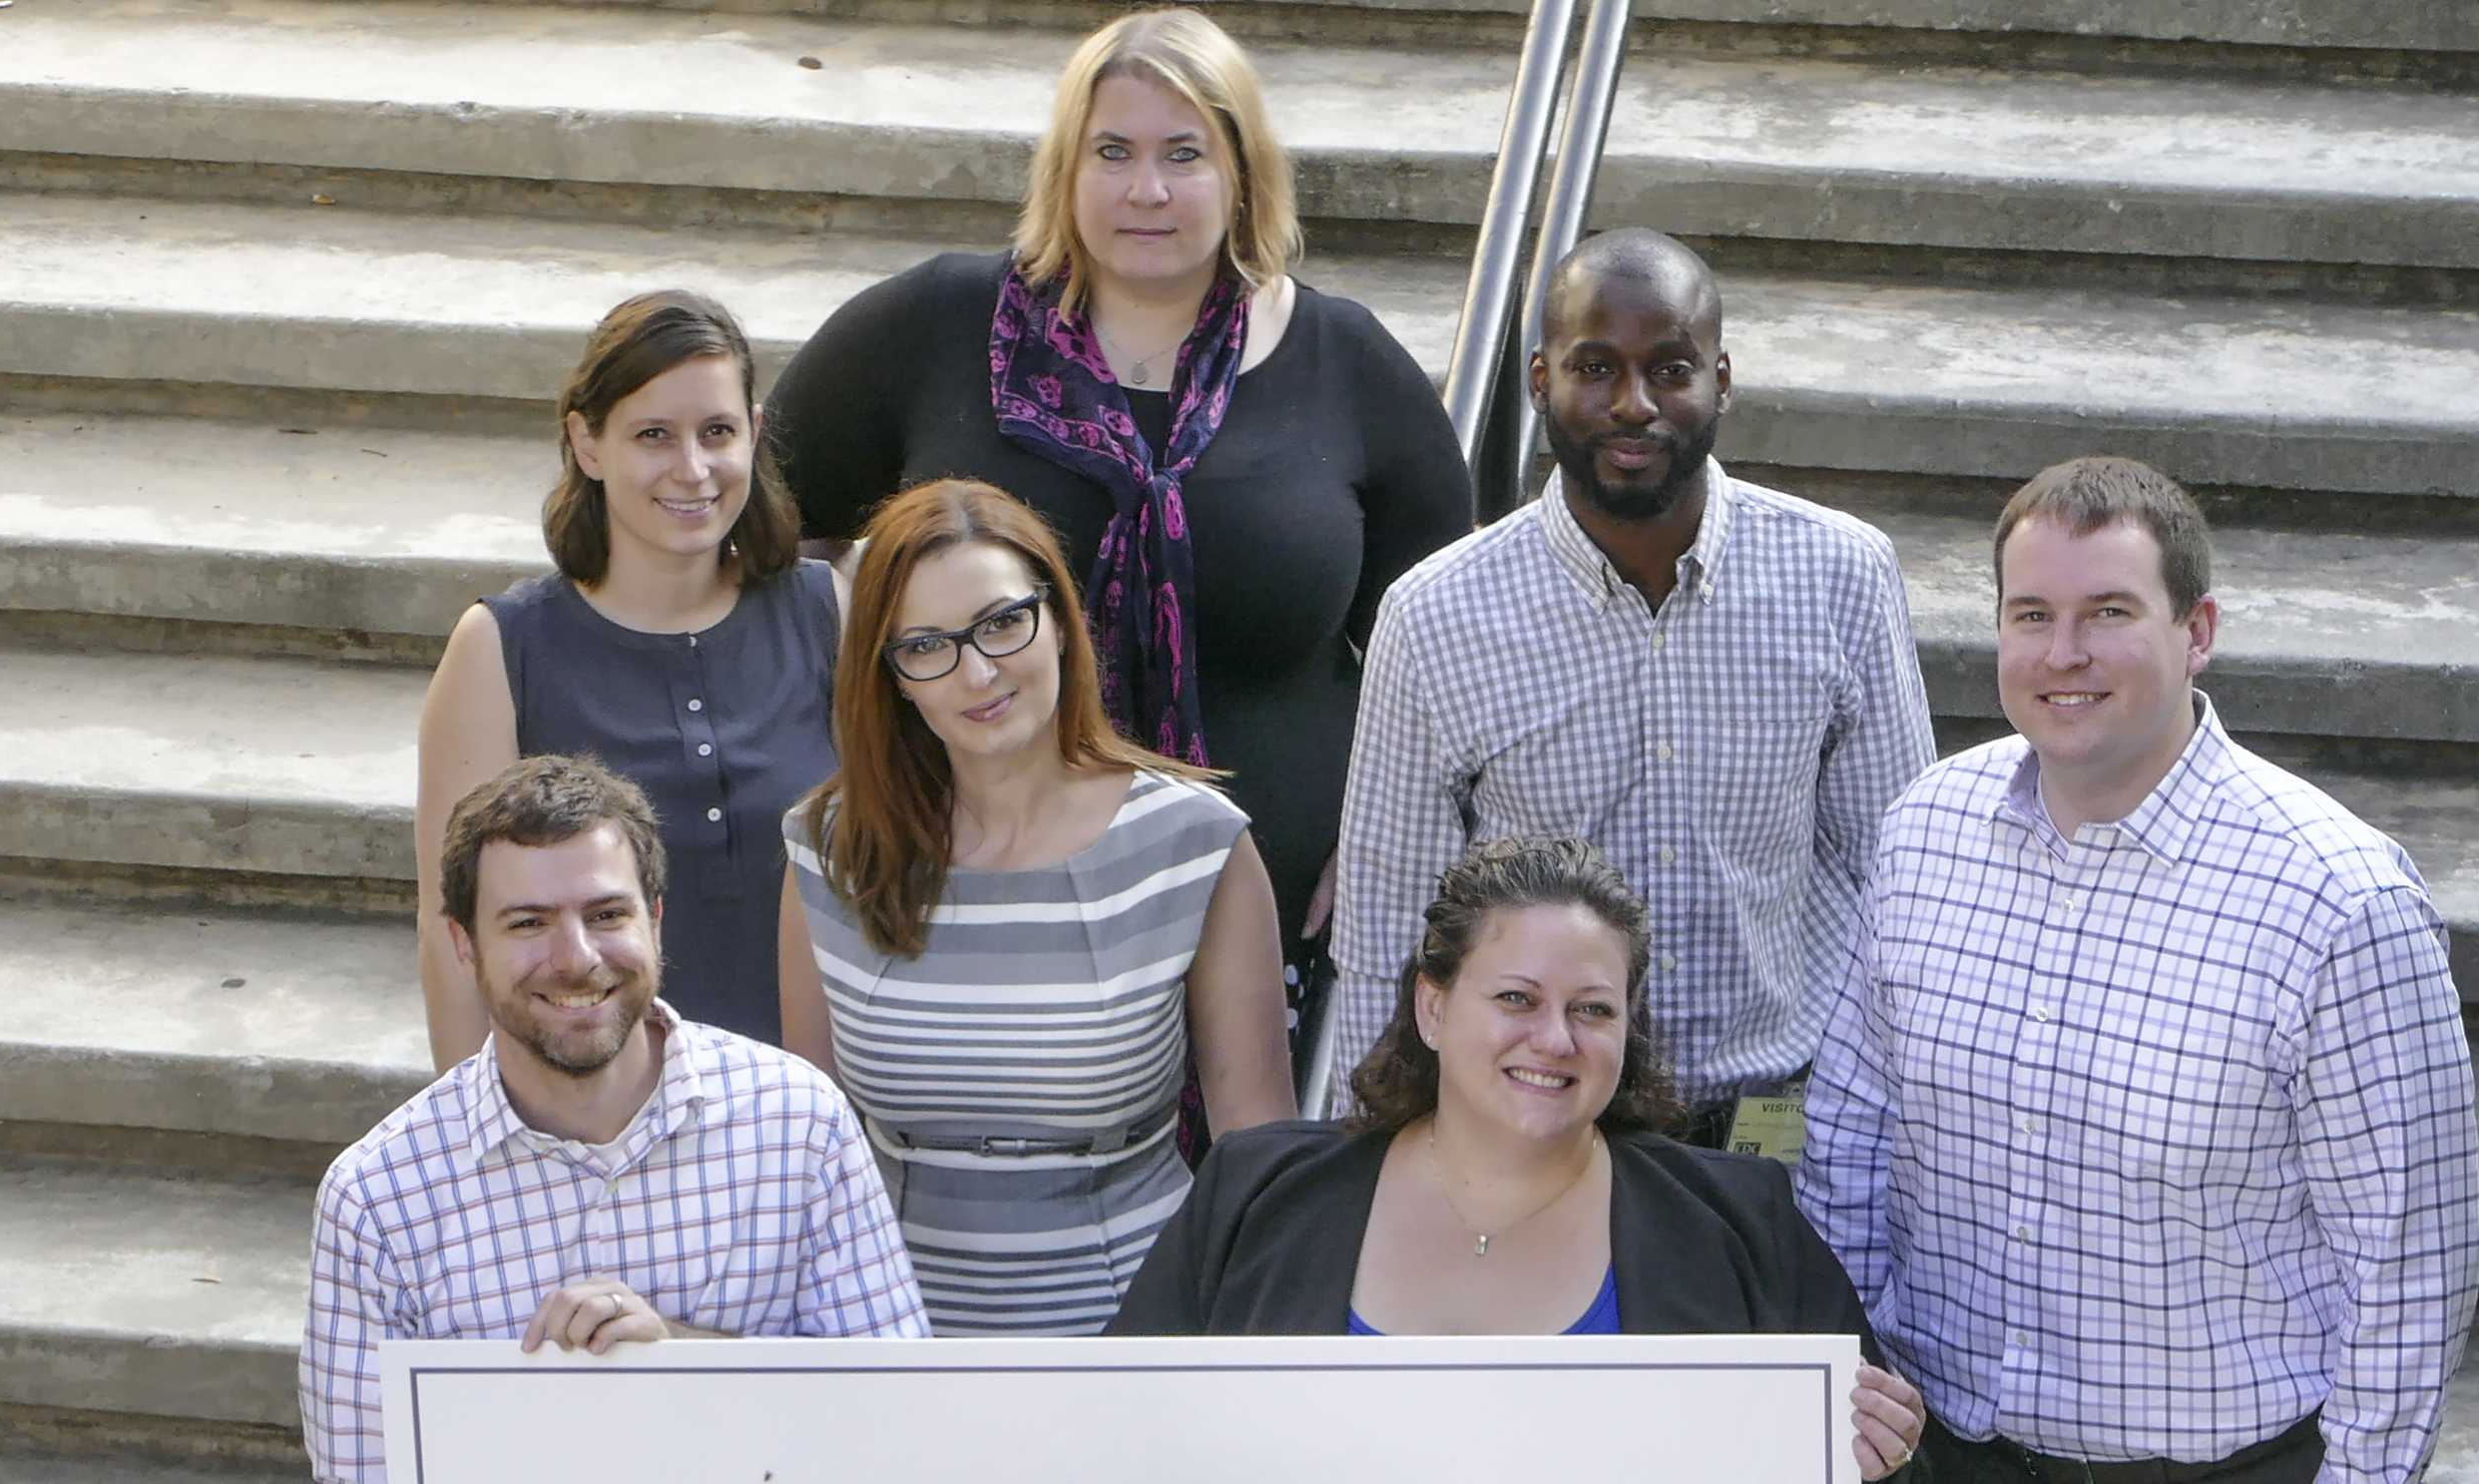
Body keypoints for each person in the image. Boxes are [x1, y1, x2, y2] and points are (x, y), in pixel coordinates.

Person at [761, 9, 1471, 1045]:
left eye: (1184, 154)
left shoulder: (1344, 363)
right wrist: (845, 741)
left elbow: (1447, 645)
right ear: (1066, 167)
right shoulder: (933, 328)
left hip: (1272, 915)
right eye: (1114, 152)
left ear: (1242, 174)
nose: (1147, 189)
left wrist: (1383, 843)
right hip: (959, 897)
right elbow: (767, 535)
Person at [1798, 457, 2479, 1484]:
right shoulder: (1923, 831)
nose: (2062, 652)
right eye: (2030, 614)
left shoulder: (2339, 901)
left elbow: (2406, 1267)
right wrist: (1841, 1380)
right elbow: (1850, 1138)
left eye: (2107, 611)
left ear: (2197, 630)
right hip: (1936, 1452)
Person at [1314, 229, 1931, 1139]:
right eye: (1594, 367)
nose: (1633, 405)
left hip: (1774, 1131)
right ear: (1539, 382)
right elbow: (1385, 931)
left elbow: (1896, 875)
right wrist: (1365, 1162)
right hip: (1537, 1124)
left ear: (1720, 380)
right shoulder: (1434, 614)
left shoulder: (1842, 572)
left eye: (1670, 369)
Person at [1110, 836, 1926, 1478]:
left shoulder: (1737, 1221)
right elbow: (1118, 1433)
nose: (1554, 1038)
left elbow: (1868, 1450)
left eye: (1592, 1009)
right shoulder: (1257, 1194)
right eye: (1515, 998)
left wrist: (1878, 1455)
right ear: (1432, 1006)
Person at [303, 755, 924, 1484]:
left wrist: (683, 1355)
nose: (576, 958)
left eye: (606, 914)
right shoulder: (378, 1199)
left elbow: (896, 1424)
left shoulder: (799, 1122)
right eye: (528, 922)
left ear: (654, 919)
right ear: (464, 943)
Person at [778, 479, 1297, 1335]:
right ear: (890, 675)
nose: (976, 671)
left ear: (1058, 618)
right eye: (925, 645)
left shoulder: (1195, 841)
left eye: (1000, 623)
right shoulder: (827, 846)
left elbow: (1257, 1157)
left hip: (1133, 1326)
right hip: (886, 1328)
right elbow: (813, 1141)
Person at [413, 289, 835, 1058]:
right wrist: (478, 1149)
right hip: (594, 1113)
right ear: (587, 443)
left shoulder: (826, 612)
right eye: (653, 435)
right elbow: (454, 929)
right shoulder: (499, 650)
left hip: (805, 1120)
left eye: (717, 431)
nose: (693, 468)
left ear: (755, 433)